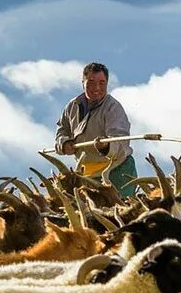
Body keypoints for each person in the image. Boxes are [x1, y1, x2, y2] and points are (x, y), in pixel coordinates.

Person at [54, 62, 138, 196]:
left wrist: (106, 145)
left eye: (102, 83)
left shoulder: (113, 108)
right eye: (91, 82)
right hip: (86, 174)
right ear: (83, 83)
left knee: (121, 212)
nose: (97, 88)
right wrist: (64, 143)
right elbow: (62, 130)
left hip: (117, 172)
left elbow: (121, 141)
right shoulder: (72, 106)